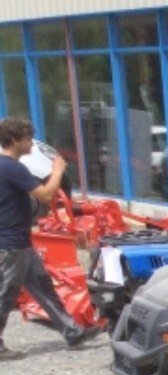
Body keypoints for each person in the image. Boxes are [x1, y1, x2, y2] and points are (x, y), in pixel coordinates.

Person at [0, 117, 101, 361]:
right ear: (14, 140)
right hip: (12, 243)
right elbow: (45, 195)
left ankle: (72, 332)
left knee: (43, 286)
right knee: (6, 294)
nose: (32, 145)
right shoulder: (12, 167)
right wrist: (57, 171)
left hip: (18, 240)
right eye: (27, 140)